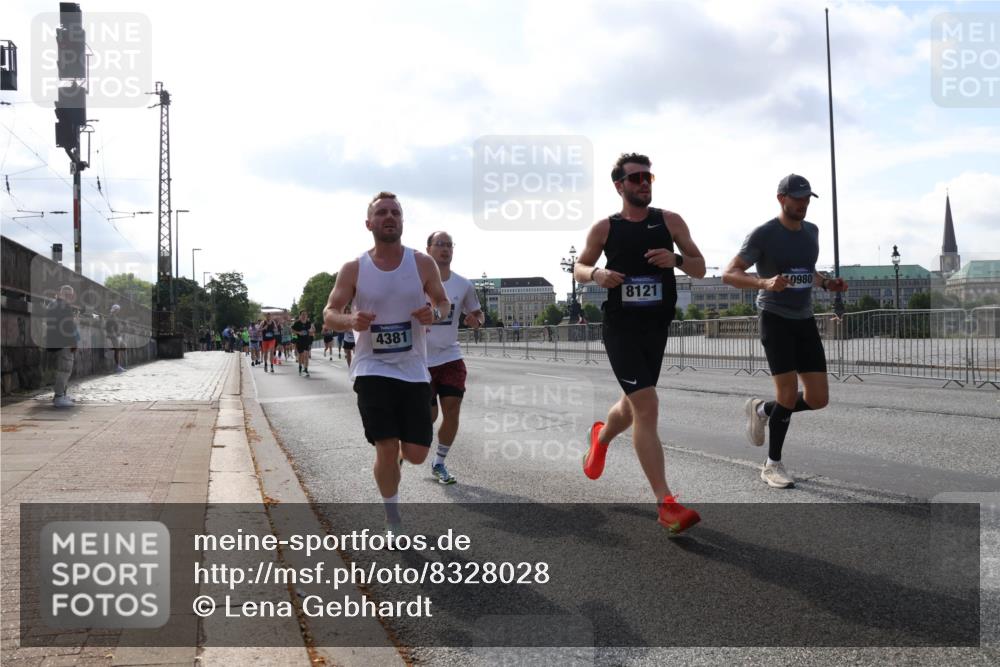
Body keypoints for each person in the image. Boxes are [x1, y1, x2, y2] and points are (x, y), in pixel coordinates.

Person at [573, 153, 706, 535]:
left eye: (648, 176)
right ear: (620, 186)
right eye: (636, 178)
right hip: (621, 329)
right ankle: (666, 504)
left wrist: (676, 258)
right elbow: (579, 268)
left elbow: (699, 267)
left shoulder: (670, 221)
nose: (644, 183)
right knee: (647, 404)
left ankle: (600, 437)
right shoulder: (605, 228)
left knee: (633, 405)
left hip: (656, 327)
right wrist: (597, 273)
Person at [323, 191, 450, 535]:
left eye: (395, 212)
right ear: (369, 224)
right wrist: (350, 321)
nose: (389, 217)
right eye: (382, 213)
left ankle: (390, 463)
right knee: (386, 443)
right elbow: (329, 314)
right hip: (371, 368)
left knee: (417, 454)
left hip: (413, 368)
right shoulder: (354, 268)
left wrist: (433, 313)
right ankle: (392, 517)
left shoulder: (421, 263)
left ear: (402, 221)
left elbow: (443, 303)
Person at [722, 173, 848, 489]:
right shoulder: (763, 234)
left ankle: (762, 409)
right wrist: (764, 282)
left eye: (807, 199)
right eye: (797, 199)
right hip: (774, 317)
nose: (803, 204)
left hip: (803, 318)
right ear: (782, 199)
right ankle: (772, 464)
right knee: (788, 395)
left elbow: (808, 272)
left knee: (819, 398)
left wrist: (826, 283)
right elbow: (729, 274)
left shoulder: (812, 232)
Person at [425, 231, 484, 485]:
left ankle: (439, 462)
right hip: (420, 361)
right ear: (428, 249)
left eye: (449, 245)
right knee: (430, 415)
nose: (445, 249)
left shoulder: (463, 285)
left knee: (452, 410)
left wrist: (476, 321)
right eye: (440, 244)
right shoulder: (415, 283)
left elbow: (479, 315)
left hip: (450, 356)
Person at [46, 285, 78, 408]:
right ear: (61, 294)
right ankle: (59, 396)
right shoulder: (62, 306)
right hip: (64, 342)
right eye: (67, 294)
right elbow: (68, 327)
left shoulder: (54, 304)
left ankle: (61, 395)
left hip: (57, 341)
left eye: (71, 295)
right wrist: (73, 342)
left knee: (64, 368)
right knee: (65, 369)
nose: (69, 297)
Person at [292, 310, 315, 377]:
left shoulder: (309, 323)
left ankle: (306, 369)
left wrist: (311, 331)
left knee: (306, 355)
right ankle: (300, 367)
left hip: (307, 341)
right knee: (301, 355)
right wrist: (299, 332)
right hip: (299, 341)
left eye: (305, 314)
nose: (304, 316)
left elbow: (312, 330)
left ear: (307, 316)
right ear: (300, 316)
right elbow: (292, 330)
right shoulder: (297, 323)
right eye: (302, 314)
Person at [105, 304, 126, 373]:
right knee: (117, 351)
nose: (118, 311)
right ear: (115, 310)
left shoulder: (114, 316)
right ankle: (117, 367)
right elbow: (109, 327)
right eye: (118, 310)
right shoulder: (111, 316)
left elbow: (115, 326)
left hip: (117, 335)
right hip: (114, 336)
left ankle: (118, 366)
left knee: (120, 349)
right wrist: (115, 336)